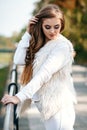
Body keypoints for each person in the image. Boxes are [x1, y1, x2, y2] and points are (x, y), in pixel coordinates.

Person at [1, 4, 77, 130]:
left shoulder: (62, 47)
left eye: (56, 27)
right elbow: (18, 59)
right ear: (40, 25)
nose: (52, 31)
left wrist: (18, 97)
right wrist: (27, 33)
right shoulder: (41, 43)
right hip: (48, 107)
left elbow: (43, 75)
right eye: (47, 27)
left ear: (61, 26)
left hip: (59, 108)